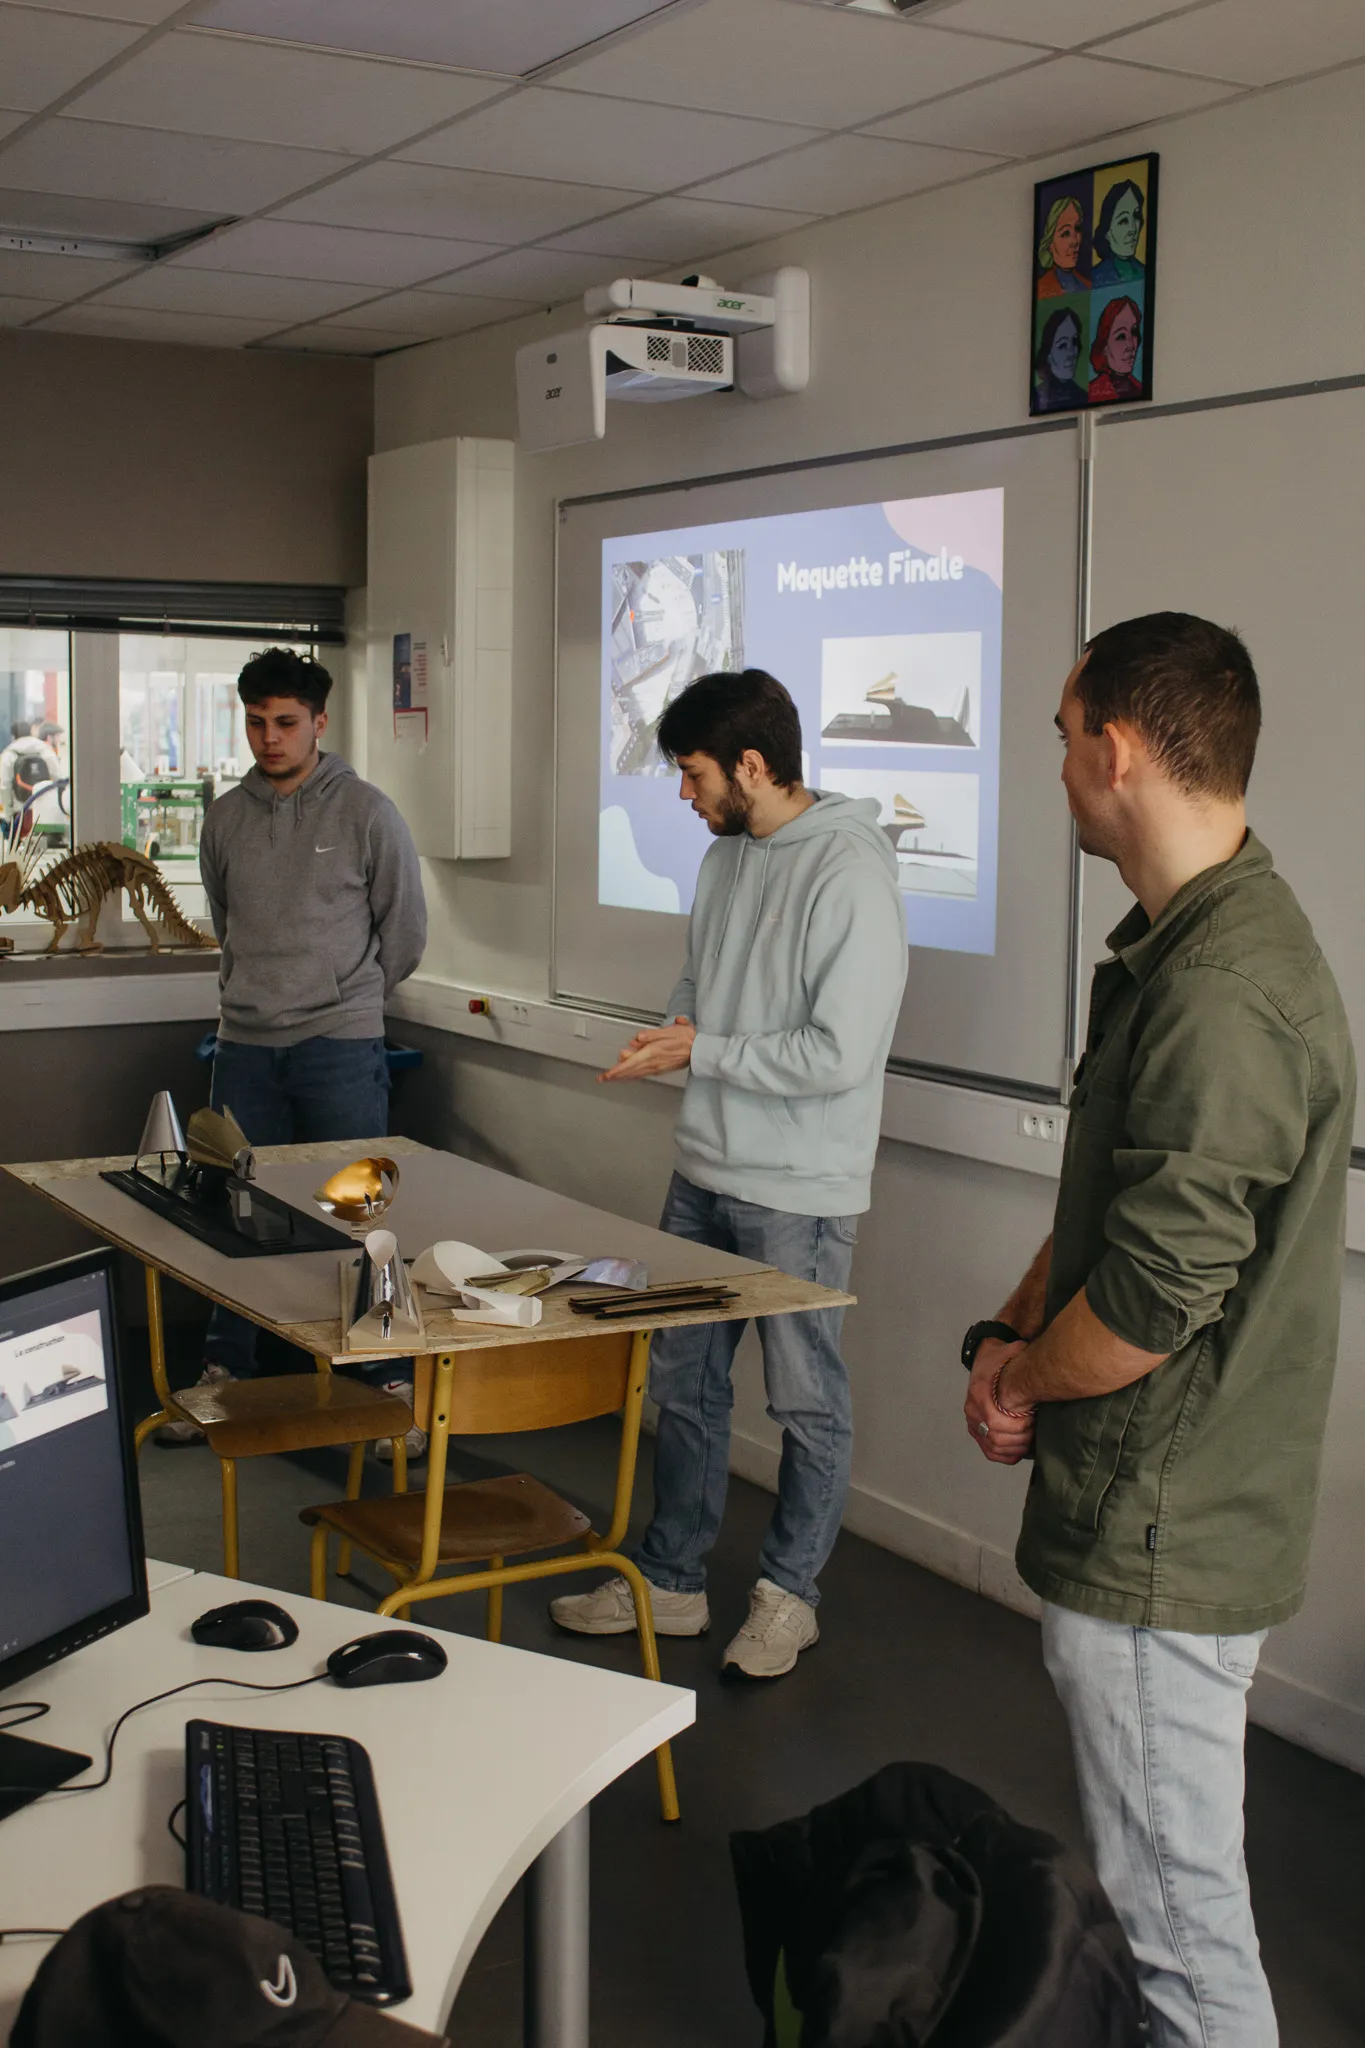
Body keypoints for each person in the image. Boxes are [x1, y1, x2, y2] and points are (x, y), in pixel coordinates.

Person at [962, 613, 1355, 2047]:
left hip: (1160, 1536)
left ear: (1117, 749)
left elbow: (1148, 1298)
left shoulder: (1224, 990)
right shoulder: (1186, 947)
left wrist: (1020, 1374)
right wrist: (1009, 1325)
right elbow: (1121, 1216)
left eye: (1064, 736)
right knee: (1169, 1907)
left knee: (1184, 1939)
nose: (1057, 764)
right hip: (1152, 1515)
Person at [552, 668, 908, 1678]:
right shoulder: (722, 859)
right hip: (703, 1172)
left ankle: (789, 1597)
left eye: (694, 772)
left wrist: (700, 1050)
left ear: (751, 765)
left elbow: (839, 1053)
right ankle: (669, 1581)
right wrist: (668, 1036)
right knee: (685, 1386)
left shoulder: (849, 872)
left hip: (798, 1190)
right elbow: (698, 991)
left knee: (805, 1403)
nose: (683, 793)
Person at [156, 647, 427, 1452]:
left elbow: (404, 931)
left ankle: (386, 1381)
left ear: (318, 722)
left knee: (360, 1217)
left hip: (340, 1044)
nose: (269, 738)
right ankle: (226, 1373)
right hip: (244, 1045)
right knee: (235, 1214)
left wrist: (349, 999)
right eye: (255, 723)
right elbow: (227, 921)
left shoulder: (367, 812)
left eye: (284, 722)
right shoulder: (225, 818)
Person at [1088, 295, 1143, 403]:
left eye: (1134, 332)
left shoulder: (1140, 388)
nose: (1131, 345)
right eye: (1121, 336)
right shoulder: (1091, 393)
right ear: (1104, 347)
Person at [1092, 178, 1146, 287]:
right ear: (1107, 232)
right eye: (1123, 221)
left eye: (1136, 216)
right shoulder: (1094, 278)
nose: (1133, 229)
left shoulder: (1145, 272)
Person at [1032, 307, 1088, 411]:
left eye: (1074, 342)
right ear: (1048, 353)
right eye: (1062, 345)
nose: (1071, 353)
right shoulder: (1035, 398)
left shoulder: (1084, 397)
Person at [1036, 195, 1091, 298]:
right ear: (1050, 243)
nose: (1075, 241)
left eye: (1077, 228)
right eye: (1065, 233)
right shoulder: (1041, 290)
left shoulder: (1088, 285)